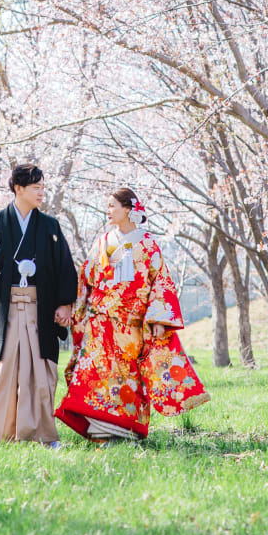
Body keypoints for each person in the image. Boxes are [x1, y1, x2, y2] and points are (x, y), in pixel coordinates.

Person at [56, 187, 210, 442]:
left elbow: (160, 281)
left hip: (131, 324)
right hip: (100, 321)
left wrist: (159, 319)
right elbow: (86, 278)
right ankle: (98, 430)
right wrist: (76, 310)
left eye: (112, 205)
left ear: (128, 209)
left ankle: (124, 430)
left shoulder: (147, 244)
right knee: (96, 372)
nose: (108, 210)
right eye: (107, 206)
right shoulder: (103, 241)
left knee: (126, 375)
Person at [0, 163, 77, 448]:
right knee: (0, 370)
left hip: (40, 308)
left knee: (40, 370)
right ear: (18, 189)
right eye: (36, 188)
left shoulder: (49, 227)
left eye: (43, 188)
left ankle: (45, 435)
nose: (41, 193)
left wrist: (65, 305)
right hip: (2, 310)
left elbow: (64, 268)